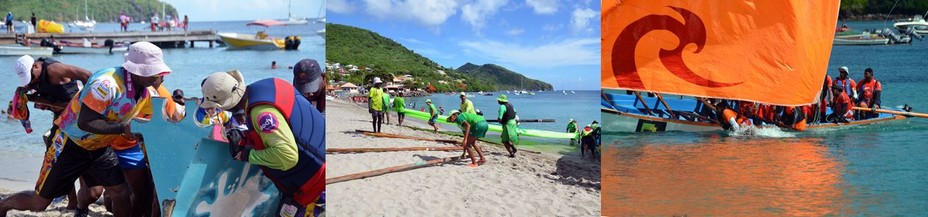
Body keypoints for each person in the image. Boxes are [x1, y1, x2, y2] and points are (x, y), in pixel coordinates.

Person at [0, 42, 171, 217]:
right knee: (40, 202)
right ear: (138, 71)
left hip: (99, 147)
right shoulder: (106, 84)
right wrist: (122, 129)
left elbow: (149, 122)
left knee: (121, 193)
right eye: (156, 72)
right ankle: (3, 206)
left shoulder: (144, 91)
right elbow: (85, 122)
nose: (162, 77)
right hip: (70, 144)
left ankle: (80, 208)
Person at [199, 70, 325, 217]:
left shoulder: (261, 114)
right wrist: (247, 138)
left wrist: (247, 155)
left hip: (315, 183)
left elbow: (287, 156)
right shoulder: (272, 84)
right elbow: (291, 127)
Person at [12, 55, 93, 211]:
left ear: (36, 66)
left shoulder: (53, 69)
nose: (31, 82)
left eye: (32, 78)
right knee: (58, 161)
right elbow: (46, 93)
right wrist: (25, 93)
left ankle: (79, 203)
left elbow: (87, 75)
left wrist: (89, 104)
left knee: (79, 162)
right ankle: (72, 202)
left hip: (78, 119)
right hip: (62, 119)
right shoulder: (35, 78)